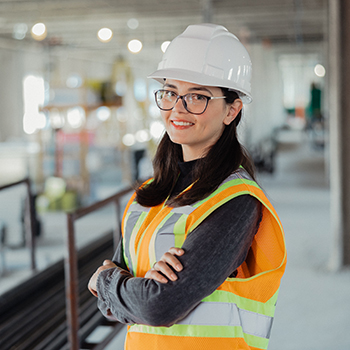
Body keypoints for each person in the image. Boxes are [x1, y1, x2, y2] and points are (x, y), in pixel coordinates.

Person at [88, 23, 286, 350]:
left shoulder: (235, 201)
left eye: (197, 96)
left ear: (232, 109)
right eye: (170, 92)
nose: (178, 108)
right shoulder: (148, 196)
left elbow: (156, 305)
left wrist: (105, 281)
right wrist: (132, 289)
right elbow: (108, 308)